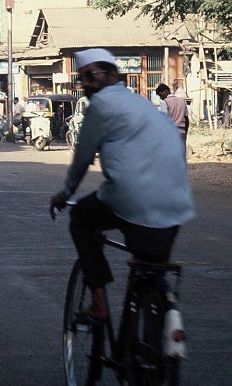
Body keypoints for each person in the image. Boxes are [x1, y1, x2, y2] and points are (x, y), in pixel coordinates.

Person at [49, 49, 195, 321]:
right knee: (152, 268)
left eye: (92, 76)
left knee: (81, 219)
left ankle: (100, 303)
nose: (87, 85)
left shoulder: (101, 106)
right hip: (176, 204)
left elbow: (82, 160)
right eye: (82, 79)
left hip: (130, 200)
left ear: (113, 75)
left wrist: (64, 194)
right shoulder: (142, 106)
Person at [156, 83, 191, 149]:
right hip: (182, 133)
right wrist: (185, 133)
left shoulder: (165, 103)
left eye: (160, 95)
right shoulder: (182, 101)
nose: (161, 98)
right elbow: (187, 120)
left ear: (165, 91)